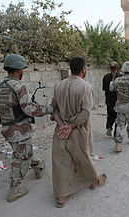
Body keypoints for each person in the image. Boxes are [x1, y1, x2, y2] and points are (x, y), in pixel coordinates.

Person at [0, 54, 54, 202]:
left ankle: (38, 167)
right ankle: (15, 188)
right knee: (21, 157)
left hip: (7, 128)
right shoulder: (20, 87)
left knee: (22, 151)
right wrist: (49, 109)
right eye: (22, 69)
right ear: (19, 70)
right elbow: (29, 109)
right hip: (20, 129)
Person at [50, 56, 107, 208]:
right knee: (84, 157)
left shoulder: (59, 85)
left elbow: (53, 108)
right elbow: (85, 113)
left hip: (61, 131)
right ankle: (94, 181)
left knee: (62, 161)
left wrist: (62, 124)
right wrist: (71, 126)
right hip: (78, 130)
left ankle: (62, 196)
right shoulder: (85, 87)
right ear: (83, 69)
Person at [109, 61, 129, 153]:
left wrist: (113, 78)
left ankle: (118, 144)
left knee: (120, 125)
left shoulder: (118, 80)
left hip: (120, 106)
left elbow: (111, 88)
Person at [102, 61, 123, 136]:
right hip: (118, 100)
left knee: (110, 114)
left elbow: (104, 88)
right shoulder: (121, 77)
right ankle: (116, 133)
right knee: (118, 116)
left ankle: (109, 128)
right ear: (117, 68)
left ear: (110, 68)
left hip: (109, 99)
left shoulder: (105, 77)